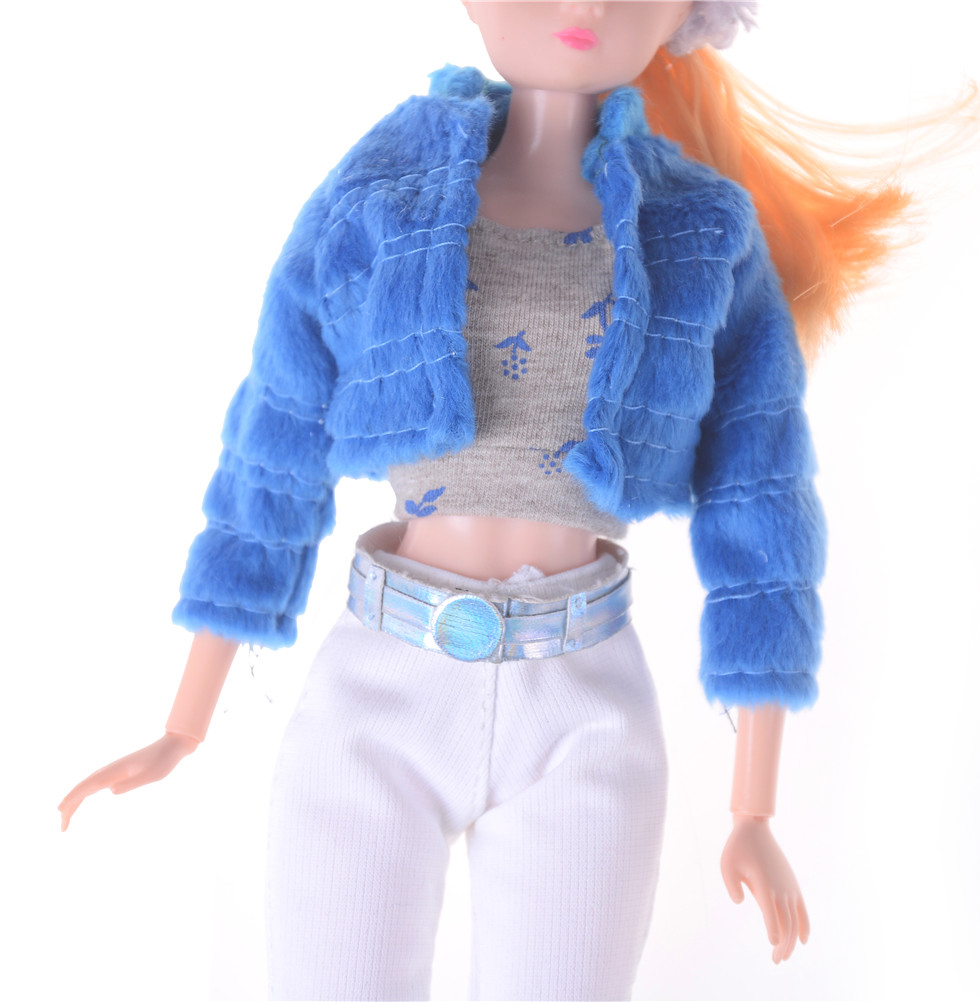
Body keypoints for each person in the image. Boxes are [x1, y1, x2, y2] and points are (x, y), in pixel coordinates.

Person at [59, 3, 917, 998]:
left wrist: (752, 808)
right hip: (379, 691)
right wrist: (185, 722)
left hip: (585, 706)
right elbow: (276, 435)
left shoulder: (701, 227)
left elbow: (760, 499)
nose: (587, 5)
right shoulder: (381, 193)